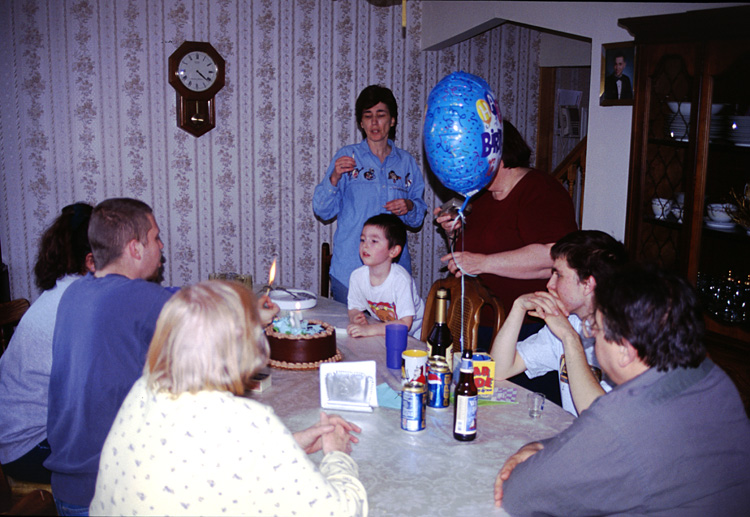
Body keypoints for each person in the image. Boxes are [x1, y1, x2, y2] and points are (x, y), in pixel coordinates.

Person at [90, 281, 367, 516]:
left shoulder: (144, 389)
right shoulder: (248, 422)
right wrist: (337, 455)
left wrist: (290, 444)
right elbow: (338, 511)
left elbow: (208, 454)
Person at [494, 264, 750, 516]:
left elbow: (519, 494)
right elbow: (602, 439)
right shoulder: (709, 376)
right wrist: (542, 446)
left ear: (626, 350)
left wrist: (531, 456)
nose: (592, 335)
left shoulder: (624, 419)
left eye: (596, 329)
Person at [43, 198, 176, 516]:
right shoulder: (138, 296)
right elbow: (203, 309)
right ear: (135, 248)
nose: (161, 246)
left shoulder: (75, 293)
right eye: (155, 237)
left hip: (66, 487)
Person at [436, 120, 578, 319]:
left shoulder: (541, 190)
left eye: (475, 157)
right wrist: (453, 231)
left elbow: (555, 255)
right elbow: (478, 246)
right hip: (473, 318)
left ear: (498, 154)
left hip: (524, 324)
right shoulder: (481, 194)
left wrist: (483, 263)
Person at [0, 203, 95, 483]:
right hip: (27, 448)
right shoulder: (77, 302)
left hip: (35, 433)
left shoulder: (68, 288)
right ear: (92, 258)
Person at [490, 230, 628, 416]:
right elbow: (498, 370)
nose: (549, 284)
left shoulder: (624, 337)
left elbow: (600, 417)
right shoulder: (569, 321)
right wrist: (518, 308)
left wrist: (569, 336)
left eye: (559, 275)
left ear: (587, 284)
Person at [314, 84, 427, 304]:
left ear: (392, 120)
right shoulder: (347, 157)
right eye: (368, 116)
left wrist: (409, 206)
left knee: (390, 336)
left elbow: (418, 217)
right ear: (361, 122)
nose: (374, 123)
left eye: (381, 115)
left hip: (393, 275)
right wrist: (334, 178)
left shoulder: (406, 162)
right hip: (349, 271)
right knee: (350, 337)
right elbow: (322, 210)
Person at [347, 213, 424, 338]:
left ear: (393, 251)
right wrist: (355, 317)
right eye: (362, 240)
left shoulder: (400, 279)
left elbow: (405, 324)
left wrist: (369, 330)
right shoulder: (357, 276)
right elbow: (354, 307)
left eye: (374, 241)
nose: (365, 245)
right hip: (383, 330)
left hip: (414, 335)